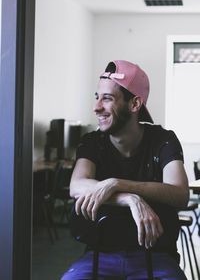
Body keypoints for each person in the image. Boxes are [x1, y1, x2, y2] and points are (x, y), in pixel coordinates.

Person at [61, 60, 189, 280]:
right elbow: (77, 186)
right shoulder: (92, 142)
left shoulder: (163, 140)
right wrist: (129, 198)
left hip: (155, 256)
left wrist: (116, 183)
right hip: (99, 256)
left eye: (107, 98)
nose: (96, 107)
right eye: (97, 97)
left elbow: (180, 194)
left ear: (134, 104)